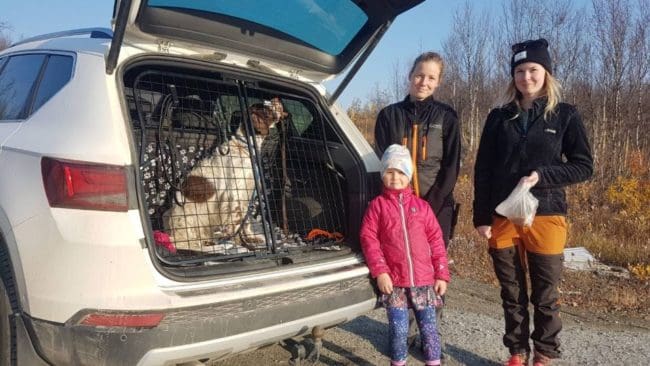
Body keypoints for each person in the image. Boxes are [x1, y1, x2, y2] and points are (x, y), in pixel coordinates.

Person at [473, 38, 593, 366]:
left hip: (547, 214)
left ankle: (543, 354)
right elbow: (482, 169)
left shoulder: (565, 115)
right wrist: (481, 216)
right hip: (503, 215)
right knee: (511, 292)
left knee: (545, 295)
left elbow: (583, 166)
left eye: (533, 70)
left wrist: (542, 175)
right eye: (520, 71)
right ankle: (516, 352)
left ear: (547, 73)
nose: (526, 77)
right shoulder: (499, 117)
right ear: (513, 76)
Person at [374, 51, 461, 353]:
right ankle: (401, 334)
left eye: (431, 77)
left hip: (434, 208)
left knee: (431, 272)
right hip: (396, 209)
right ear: (410, 75)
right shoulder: (389, 115)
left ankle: (429, 338)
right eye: (419, 75)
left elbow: (451, 166)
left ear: (438, 82)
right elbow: (383, 165)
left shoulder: (447, 117)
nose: (423, 81)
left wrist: (429, 207)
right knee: (400, 269)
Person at [360, 144, 450, 366]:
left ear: (408, 175)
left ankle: (433, 362)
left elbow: (436, 241)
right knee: (399, 332)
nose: (395, 177)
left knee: (429, 330)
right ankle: (398, 362)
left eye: (401, 172)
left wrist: (441, 274)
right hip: (395, 283)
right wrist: (380, 272)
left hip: (424, 282)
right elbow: (368, 239)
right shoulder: (377, 207)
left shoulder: (422, 207)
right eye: (390, 172)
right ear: (383, 175)